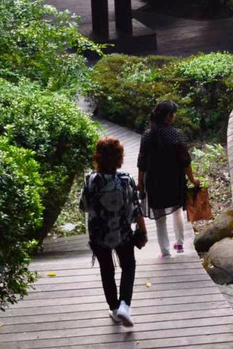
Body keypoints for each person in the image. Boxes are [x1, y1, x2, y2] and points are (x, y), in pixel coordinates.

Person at [79, 135, 148, 328]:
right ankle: (125, 304)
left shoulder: (91, 180)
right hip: (122, 233)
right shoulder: (126, 180)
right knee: (128, 266)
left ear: (98, 157)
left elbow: (84, 206)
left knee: (106, 270)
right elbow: (136, 209)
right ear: (119, 158)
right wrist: (142, 232)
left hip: (99, 234)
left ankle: (114, 308)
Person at [137, 100, 199, 257]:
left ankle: (165, 251)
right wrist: (192, 180)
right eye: (173, 113)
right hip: (174, 180)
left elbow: (142, 162)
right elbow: (185, 161)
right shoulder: (177, 135)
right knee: (177, 211)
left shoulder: (148, 135)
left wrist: (140, 182)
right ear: (168, 117)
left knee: (159, 218)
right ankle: (179, 244)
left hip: (155, 182)